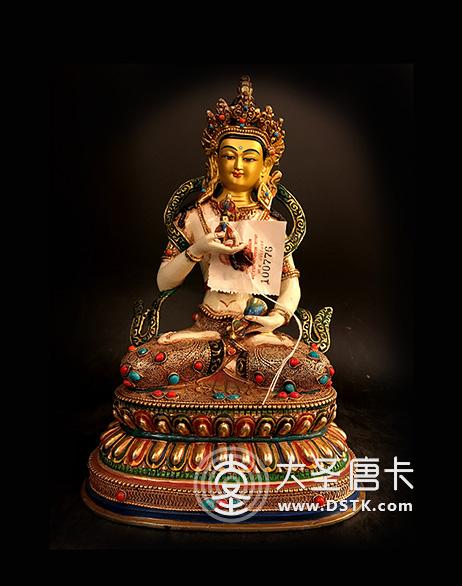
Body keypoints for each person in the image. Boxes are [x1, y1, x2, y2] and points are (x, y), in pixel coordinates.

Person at [120, 76, 334, 401]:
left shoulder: (271, 221)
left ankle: (230, 364)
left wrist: (276, 318)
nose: (238, 165)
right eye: (229, 155)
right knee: (139, 366)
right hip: (206, 330)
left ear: (265, 167)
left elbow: (290, 282)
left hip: (253, 330)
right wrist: (198, 248)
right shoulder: (195, 216)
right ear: (214, 161)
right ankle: (230, 364)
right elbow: (164, 282)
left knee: (316, 371)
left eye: (249, 158)